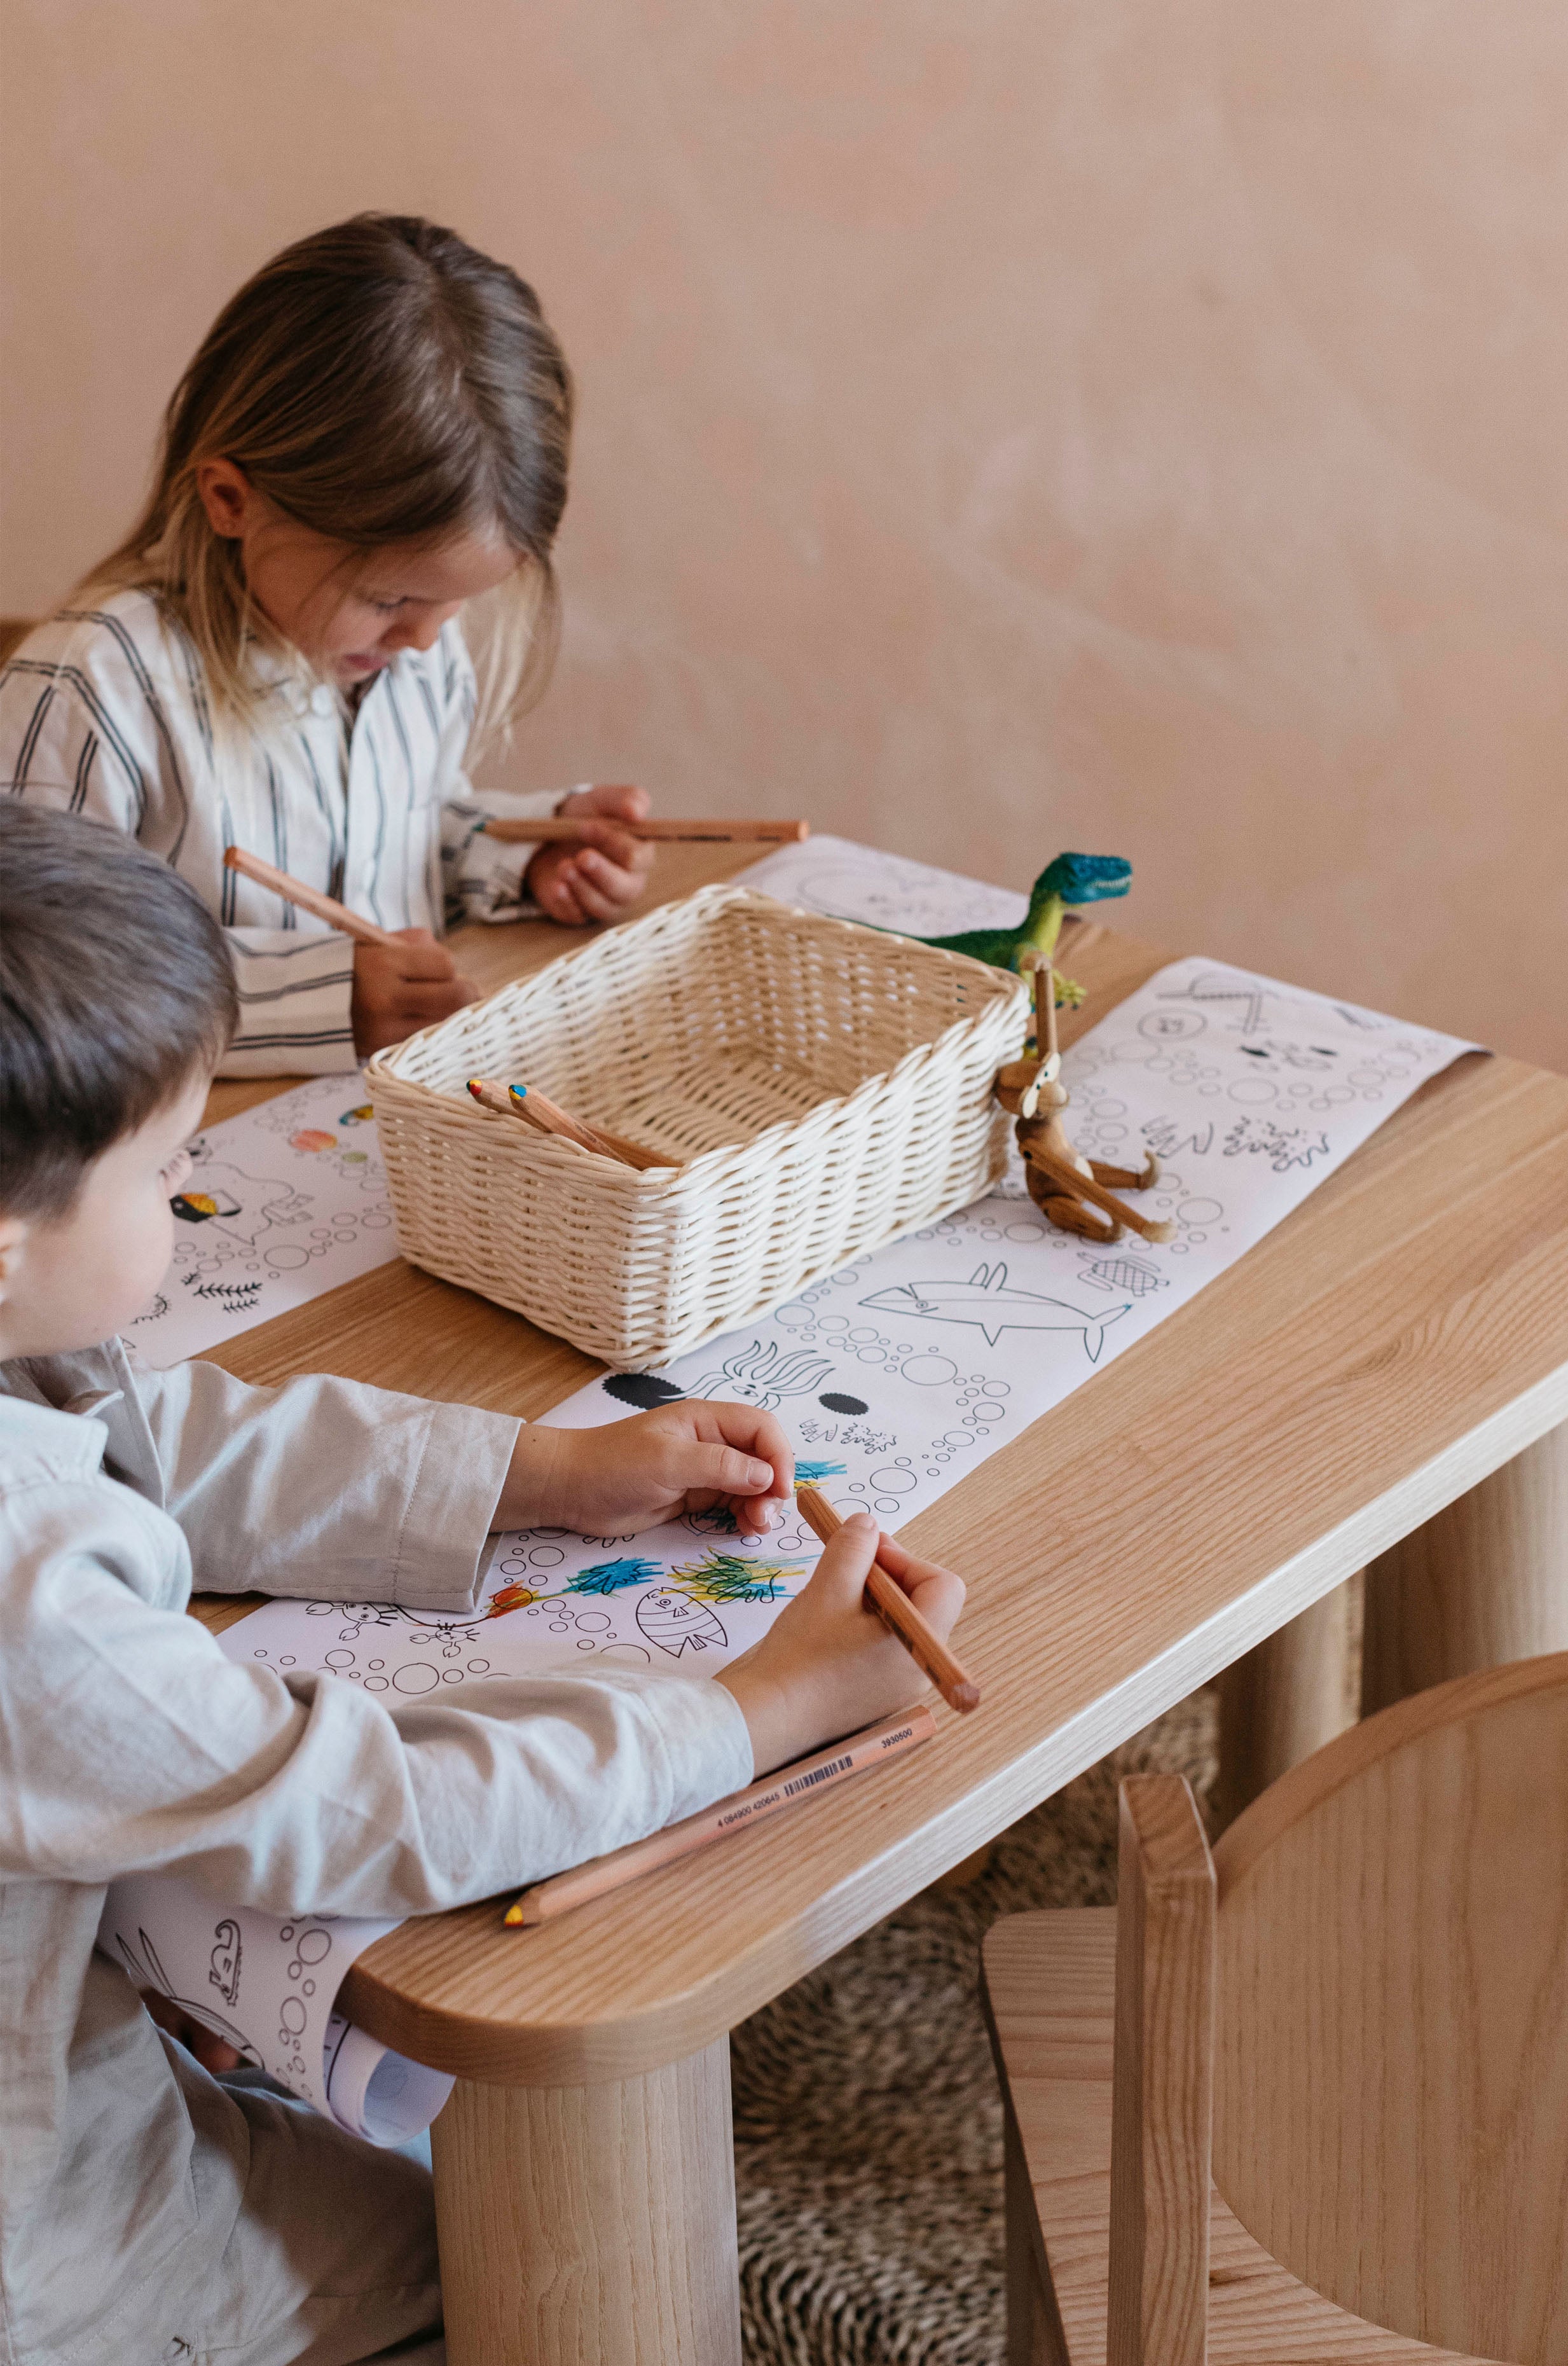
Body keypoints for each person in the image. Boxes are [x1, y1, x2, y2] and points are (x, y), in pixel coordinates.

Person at [0, 805, 966, 2365]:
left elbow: (147, 1434)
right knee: (551, 2252)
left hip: (79, 2053)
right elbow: (367, 1812)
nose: (182, 1208)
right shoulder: (25, 1593)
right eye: (165, 1171)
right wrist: (759, 1708)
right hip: (44, 2254)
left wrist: (544, 1474)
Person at [0, 213, 656, 1078]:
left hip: (386, 1131)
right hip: (186, 1170)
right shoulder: (95, 687)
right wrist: (315, 1001)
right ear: (231, 498)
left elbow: (395, 843)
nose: (425, 639)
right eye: (389, 598)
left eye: (453, 606)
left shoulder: (401, 652)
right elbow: (37, 986)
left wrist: (519, 851)